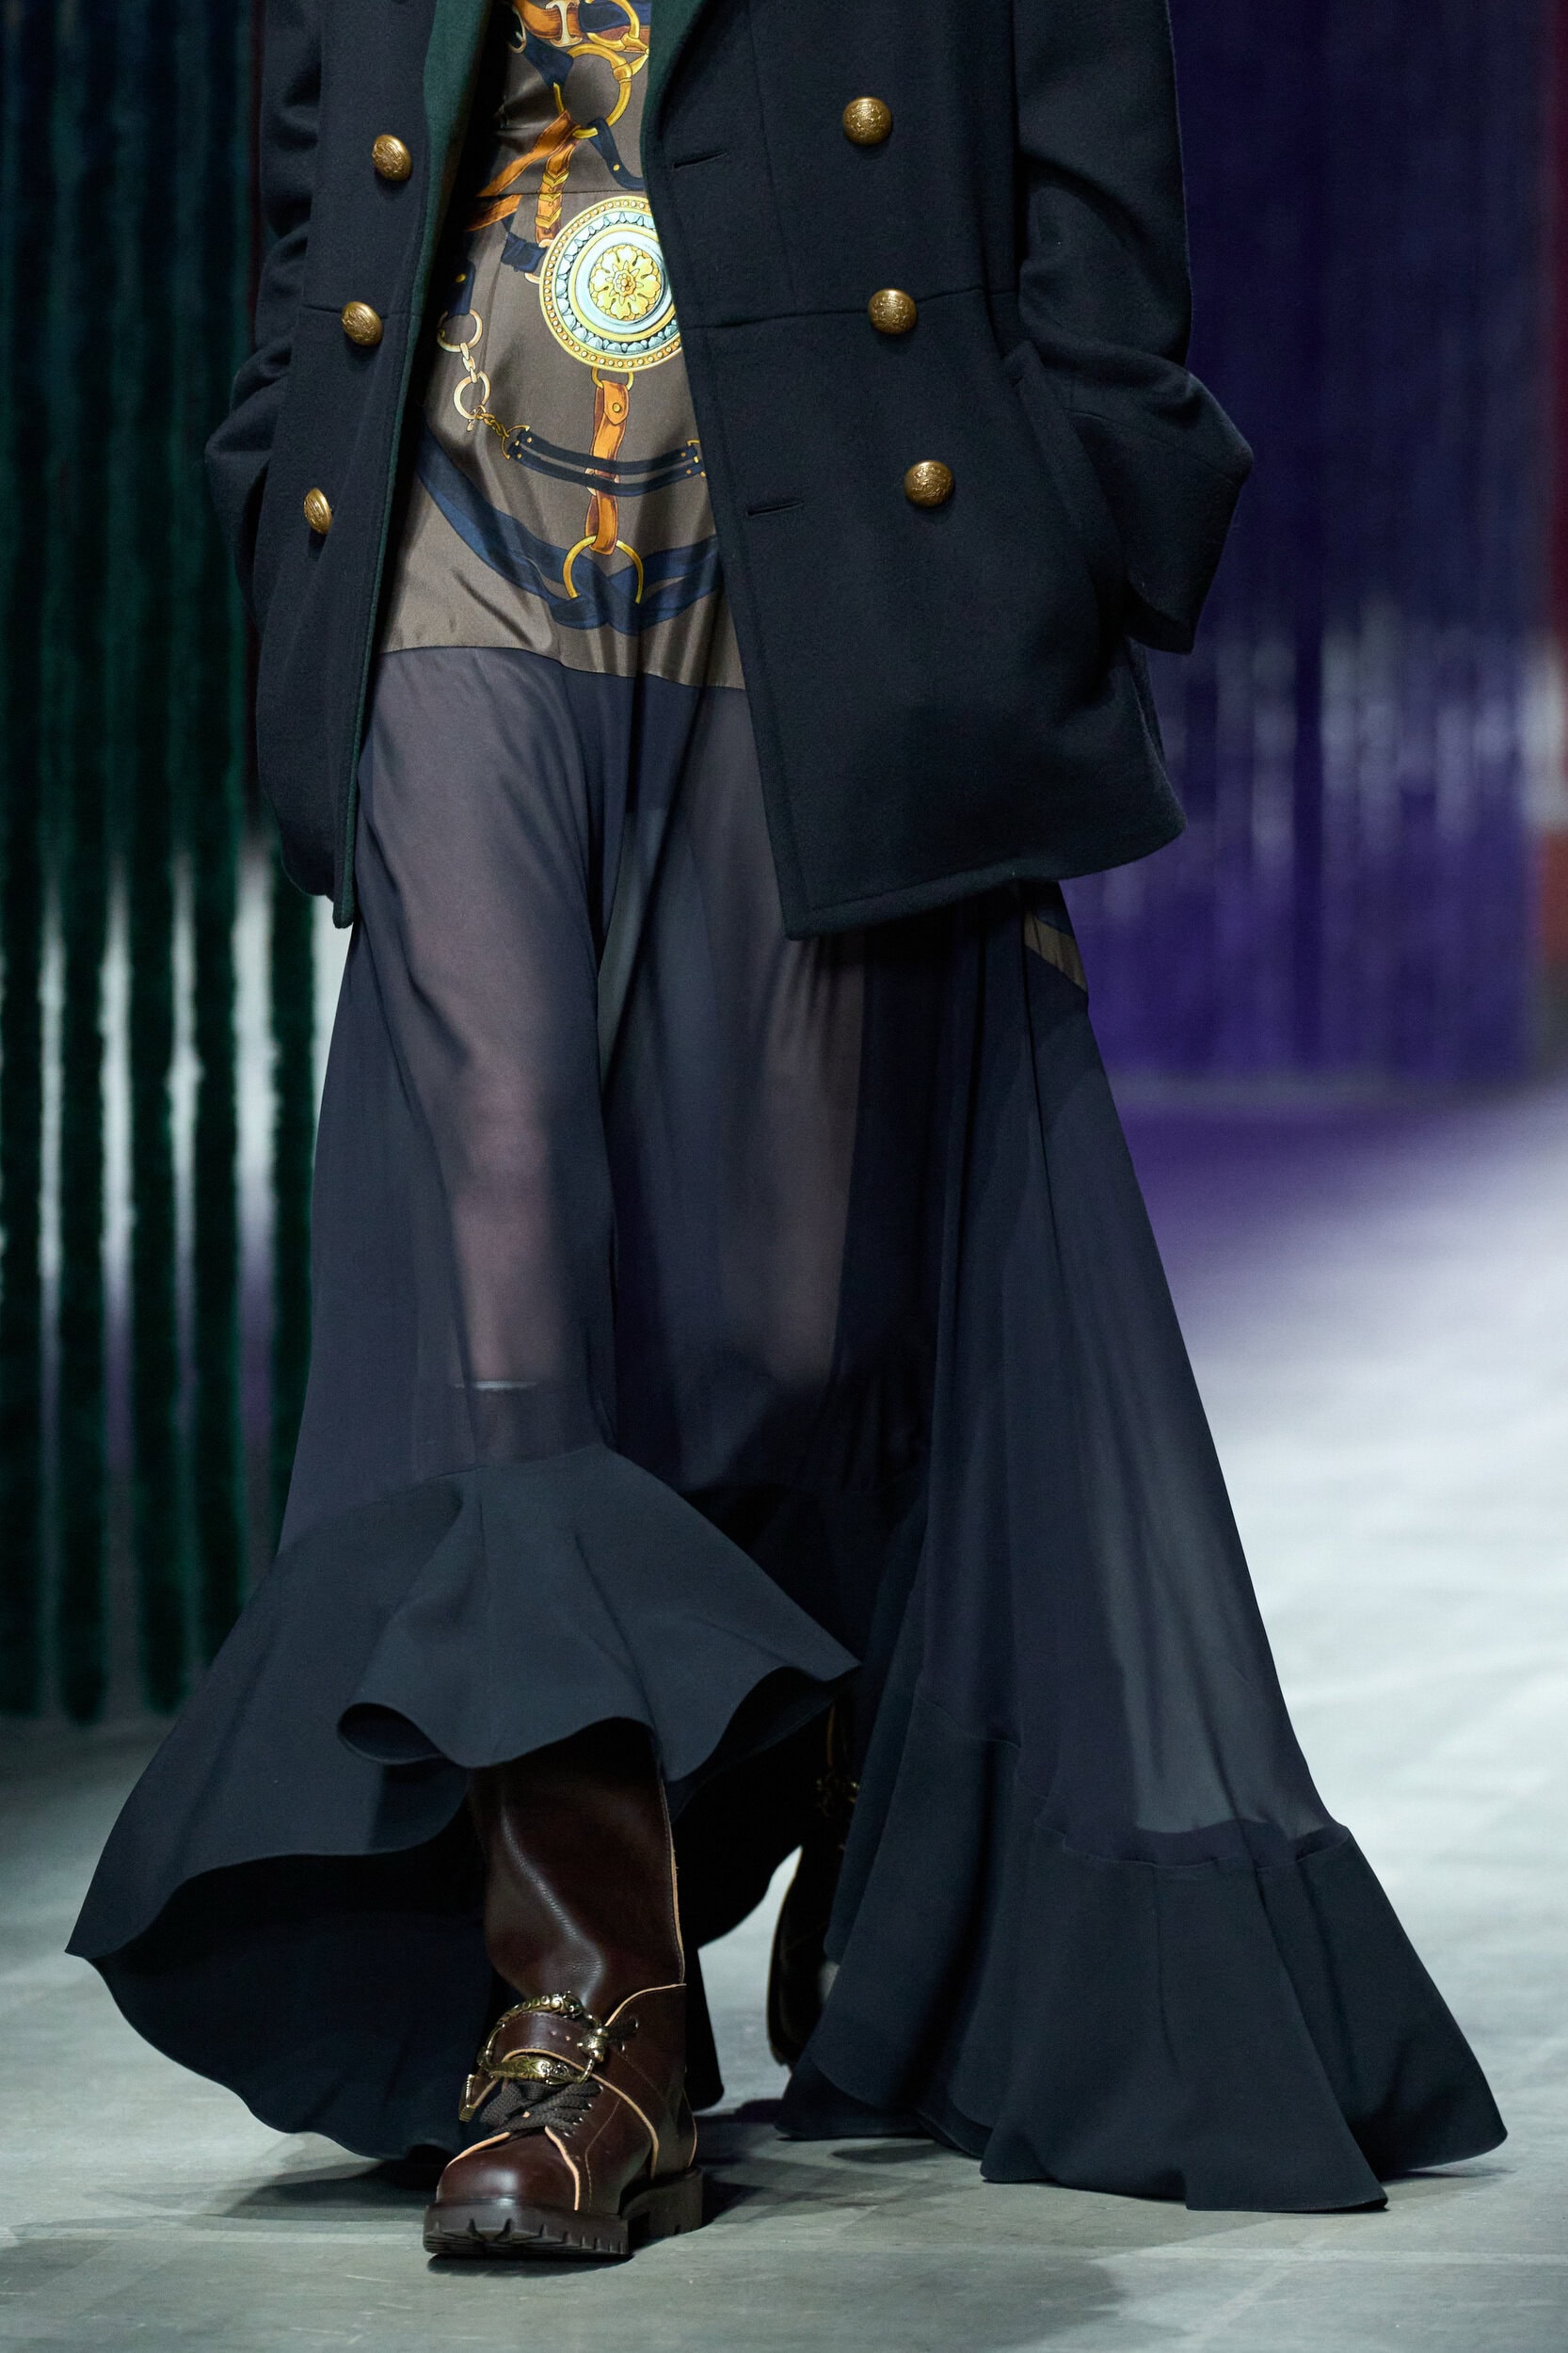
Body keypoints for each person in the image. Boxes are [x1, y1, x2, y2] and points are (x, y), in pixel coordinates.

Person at [72, 0, 1504, 2261]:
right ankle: (589, 2011)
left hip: (816, 546)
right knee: (506, 1247)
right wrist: (283, 487)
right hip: (449, 530)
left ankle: (829, 1735)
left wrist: (1042, 576)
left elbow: (1086, 204)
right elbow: (312, 164)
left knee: (777, 1336)